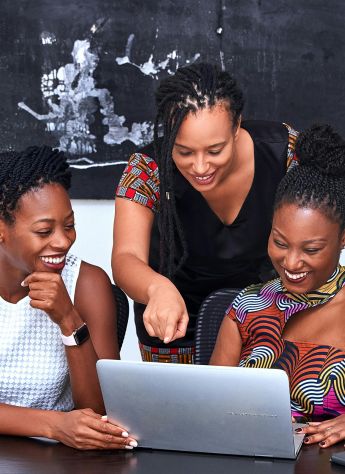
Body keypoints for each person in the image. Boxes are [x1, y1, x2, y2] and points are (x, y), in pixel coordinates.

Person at [113, 62, 298, 363]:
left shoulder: (285, 152)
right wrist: (157, 288)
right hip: (173, 325)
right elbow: (125, 259)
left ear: (237, 126)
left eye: (214, 151)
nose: (200, 167)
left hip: (263, 318)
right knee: (179, 409)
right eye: (183, 151)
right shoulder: (146, 170)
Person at [211, 124, 345, 448]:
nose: (291, 262)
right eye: (280, 242)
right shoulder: (247, 307)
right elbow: (210, 404)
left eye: (311, 250)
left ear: (343, 239)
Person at [0, 146, 137, 450]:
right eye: (44, 230)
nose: (63, 241)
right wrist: (53, 425)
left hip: (56, 461)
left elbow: (102, 413)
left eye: (69, 225)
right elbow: (64, 425)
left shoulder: (86, 283)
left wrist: (69, 320)